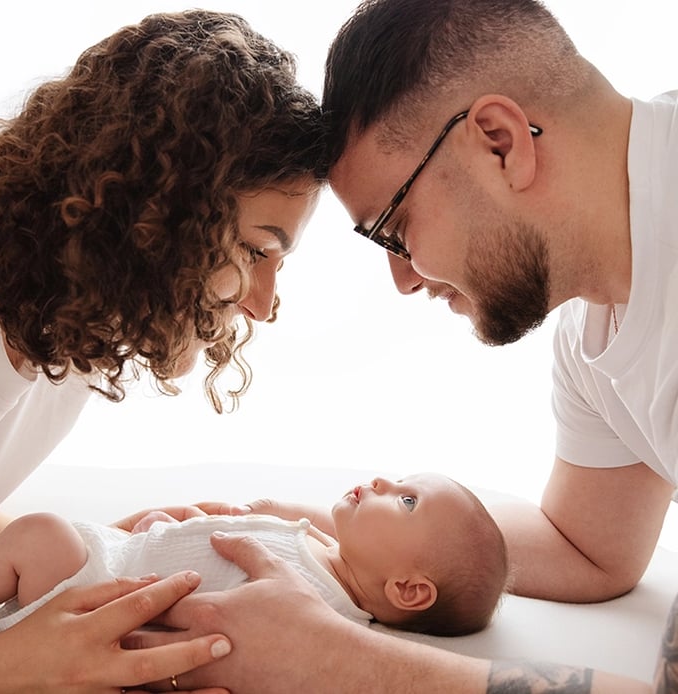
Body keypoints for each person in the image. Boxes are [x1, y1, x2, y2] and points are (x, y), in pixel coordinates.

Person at [125, 1, 678, 692]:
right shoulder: (596, 322)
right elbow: (591, 549)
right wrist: (303, 540)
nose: (403, 279)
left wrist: (331, 659)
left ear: (501, 142)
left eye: (396, 227)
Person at [0, 8, 325, 691]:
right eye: (257, 250)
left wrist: (101, 558)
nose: (261, 304)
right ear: (158, 213)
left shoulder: (71, 325)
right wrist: (11, 664)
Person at [0, 472, 507, 639]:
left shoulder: (314, 608)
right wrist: (165, 531)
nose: (379, 479)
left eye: (406, 501)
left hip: (96, 593)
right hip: (124, 554)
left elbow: (208, 616)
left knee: (39, 532)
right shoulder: (324, 550)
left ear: (408, 589)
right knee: (42, 534)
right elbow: (215, 545)